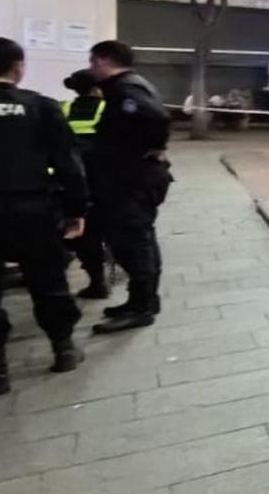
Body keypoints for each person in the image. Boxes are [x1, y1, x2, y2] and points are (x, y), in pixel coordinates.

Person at [0, 37, 87, 395]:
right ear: (19, 66)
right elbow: (69, 165)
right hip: (32, 210)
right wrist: (76, 210)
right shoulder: (41, 107)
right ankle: (63, 349)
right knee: (48, 281)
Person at [87, 40, 172, 334]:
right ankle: (142, 299)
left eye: (93, 62)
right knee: (138, 240)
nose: (91, 68)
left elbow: (157, 117)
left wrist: (155, 147)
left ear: (104, 60)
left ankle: (142, 307)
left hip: (132, 180)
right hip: (129, 178)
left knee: (133, 243)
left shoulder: (126, 88)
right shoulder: (125, 85)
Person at [62, 69, 109, 299]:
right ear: (98, 86)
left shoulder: (65, 109)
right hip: (103, 177)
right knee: (106, 228)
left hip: (73, 180)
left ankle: (97, 282)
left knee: (84, 233)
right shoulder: (106, 108)